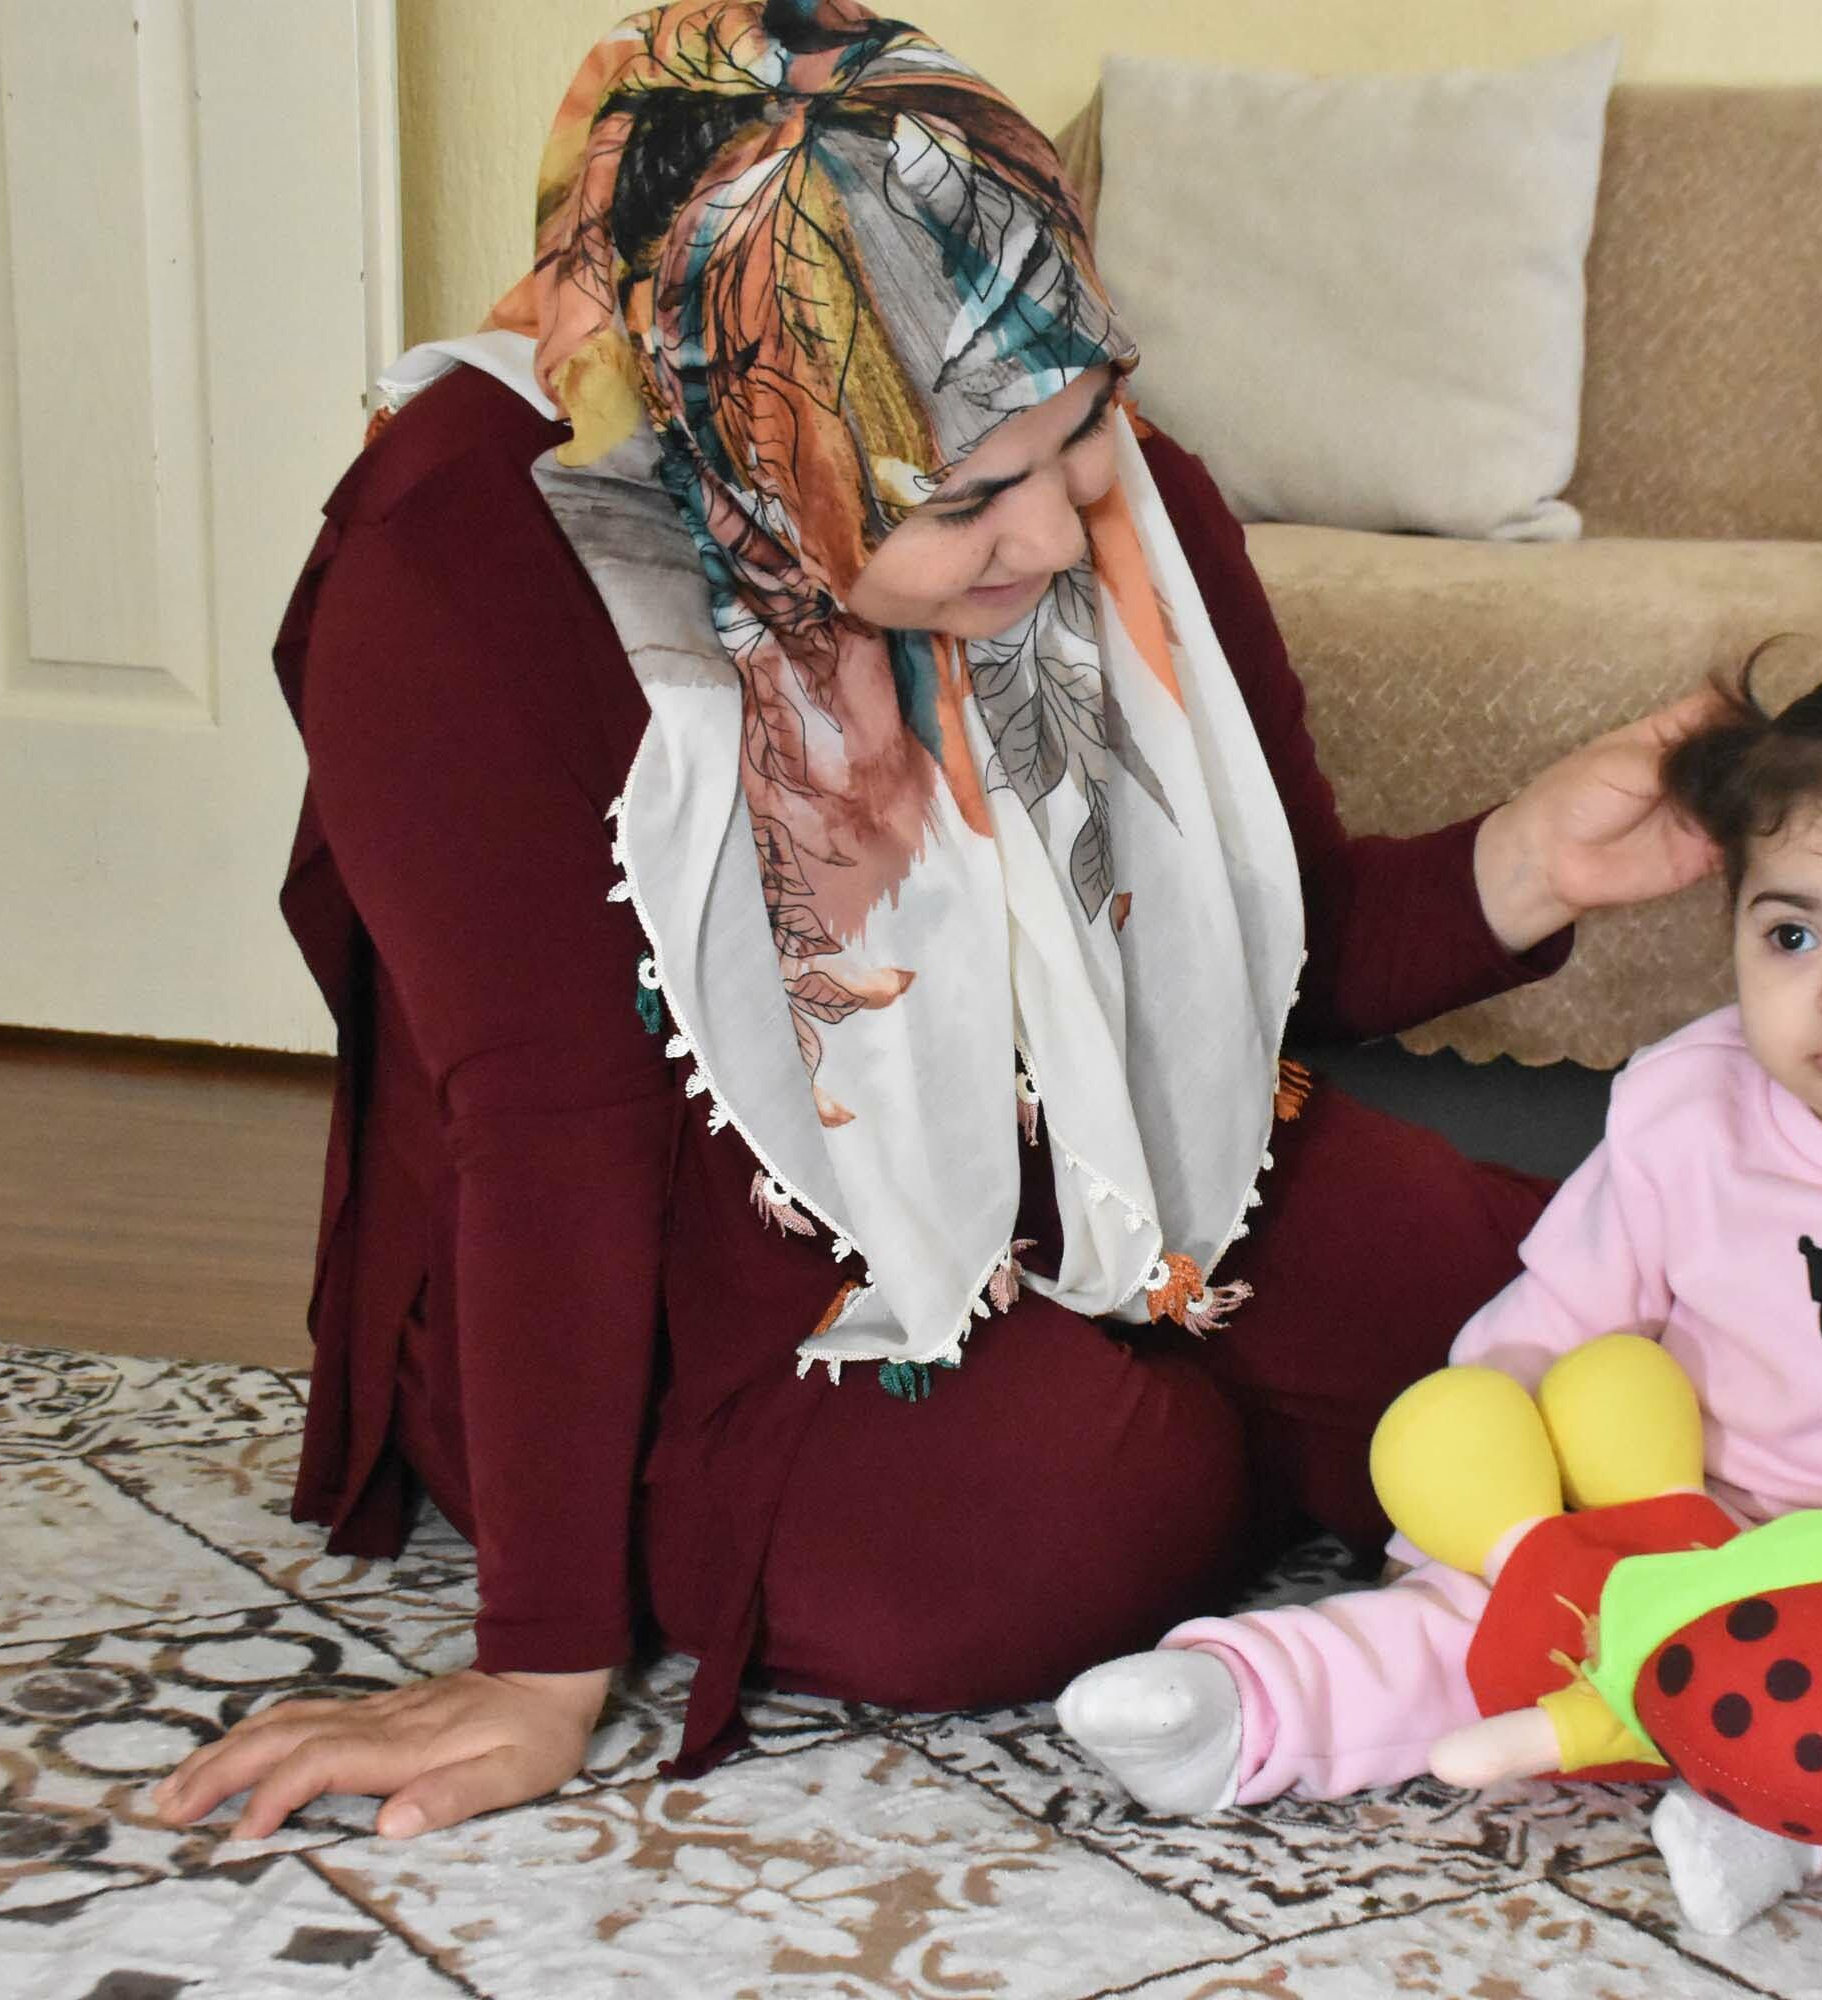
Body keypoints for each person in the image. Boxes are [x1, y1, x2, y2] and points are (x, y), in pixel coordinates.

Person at [149, 0, 1718, 1846]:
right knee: (1030, 1543)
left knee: (1537, 1299)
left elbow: (1262, 959)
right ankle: (1255, 1454)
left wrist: (1526, 864)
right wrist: (540, 1660)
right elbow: (552, 1131)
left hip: (1092, 1135)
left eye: (1084, 429)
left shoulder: (1086, 468)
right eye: (963, 497)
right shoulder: (455, 568)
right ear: (740, 439)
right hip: (703, 1235)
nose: (1055, 538)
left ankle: (1232, 1423)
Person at [1060, 665, 1822, 1933]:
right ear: (1736, 923)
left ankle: (1805, 1818)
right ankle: (1246, 1704)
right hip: (1702, 1542)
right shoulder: (1685, 1101)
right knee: (1467, 1622)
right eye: (1792, 935)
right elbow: (1561, 1312)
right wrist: (1486, 1518)